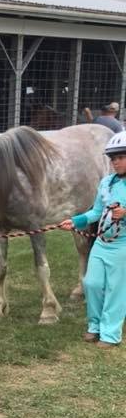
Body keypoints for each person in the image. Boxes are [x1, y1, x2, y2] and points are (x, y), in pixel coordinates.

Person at [60, 130, 126, 348]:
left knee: (116, 289)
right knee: (91, 283)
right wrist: (75, 221)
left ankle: (110, 333)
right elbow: (96, 211)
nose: (116, 162)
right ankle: (94, 325)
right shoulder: (107, 183)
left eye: (121, 157)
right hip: (102, 243)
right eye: (113, 158)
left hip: (122, 245)